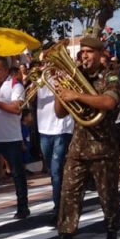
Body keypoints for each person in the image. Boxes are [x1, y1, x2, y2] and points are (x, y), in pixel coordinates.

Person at [41, 37, 120, 239]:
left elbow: (109, 102)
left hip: (103, 147)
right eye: (82, 52)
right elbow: (59, 113)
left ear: (99, 53)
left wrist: (76, 95)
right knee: (69, 197)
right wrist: (61, 91)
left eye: (88, 52)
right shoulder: (76, 75)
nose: (84, 56)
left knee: (108, 197)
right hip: (78, 147)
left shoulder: (111, 74)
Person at [0, 57, 30, 220]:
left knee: (17, 175)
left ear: (5, 70)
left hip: (11, 138)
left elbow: (17, 109)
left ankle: (23, 207)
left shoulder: (15, 85)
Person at [36, 72, 74, 222]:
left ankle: (58, 209)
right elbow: (28, 98)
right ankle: (63, 200)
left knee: (56, 171)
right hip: (44, 129)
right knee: (53, 172)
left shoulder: (67, 76)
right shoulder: (41, 77)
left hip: (62, 128)